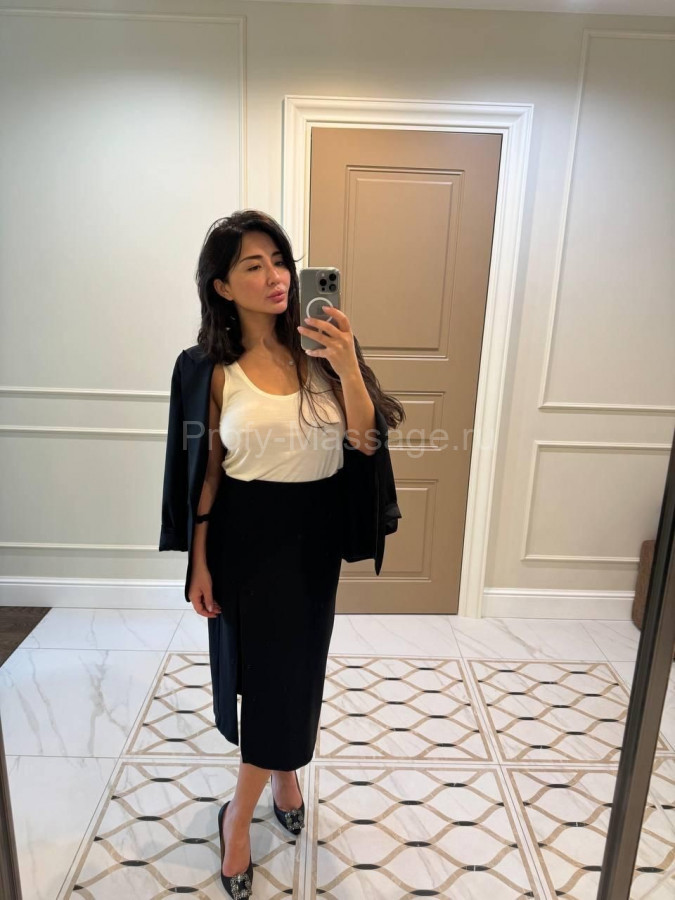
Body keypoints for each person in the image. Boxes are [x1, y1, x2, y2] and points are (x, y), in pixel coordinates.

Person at [180, 210, 404, 898]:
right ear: (222, 286)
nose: (275, 276)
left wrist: (348, 366)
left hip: (313, 538)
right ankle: (239, 818)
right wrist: (198, 560)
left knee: (297, 672)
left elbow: (365, 443)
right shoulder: (208, 370)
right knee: (266, 678)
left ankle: (282, 773)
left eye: (279, 260)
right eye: (253, 265)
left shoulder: (323, 347)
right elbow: (205, 472)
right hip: (245, 537)